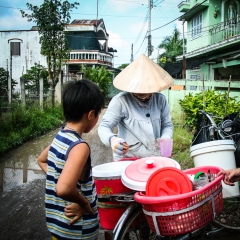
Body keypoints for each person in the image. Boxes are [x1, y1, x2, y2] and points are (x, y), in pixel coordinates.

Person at [38, 79, 105, 240]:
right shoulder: (79, 147)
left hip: (57, 226)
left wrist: (57, 178)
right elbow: (64, 189)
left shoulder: (60, 136)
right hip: (78, 230)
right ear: (90, 115)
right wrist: (83, 204)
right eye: (98, 114)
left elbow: (41, 160)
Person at [98, 54, 174, 161]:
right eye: (138, 88)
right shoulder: (120, 101)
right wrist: (112, 139)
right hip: (128, 159)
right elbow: (104, 127)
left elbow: (167, 125)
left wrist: (166, 138)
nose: (141, 92)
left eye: (145, 88)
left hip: (154, 158)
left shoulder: (160, 100)